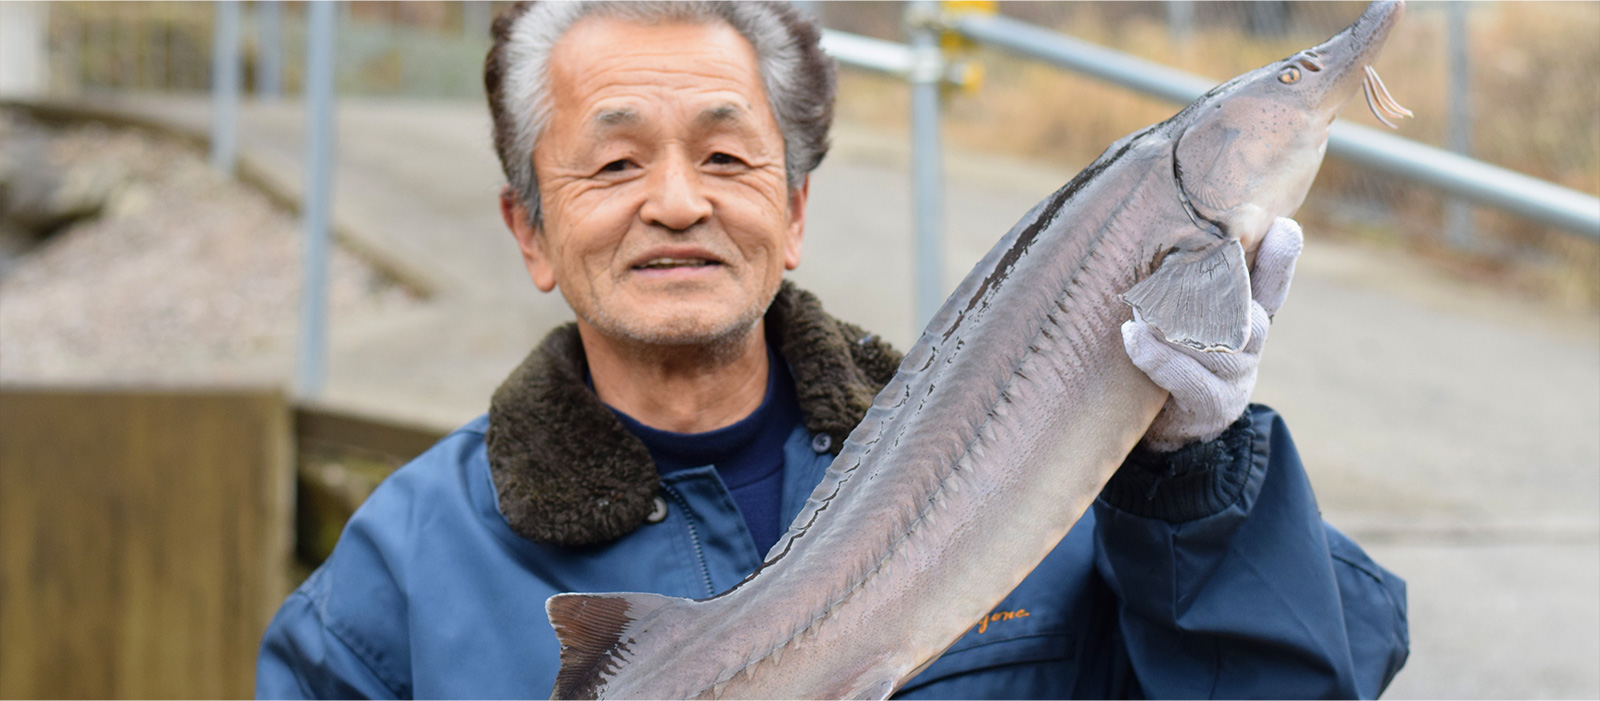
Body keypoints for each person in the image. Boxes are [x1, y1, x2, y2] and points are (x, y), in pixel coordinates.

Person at [255, 2, 1409, 698]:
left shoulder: (1059, 458)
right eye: (612, 165)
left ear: (795, 210)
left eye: (725, 156)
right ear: (530, 231)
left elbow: (1298, 677)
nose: (674, 202)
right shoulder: (404, 568)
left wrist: (1190, 474)